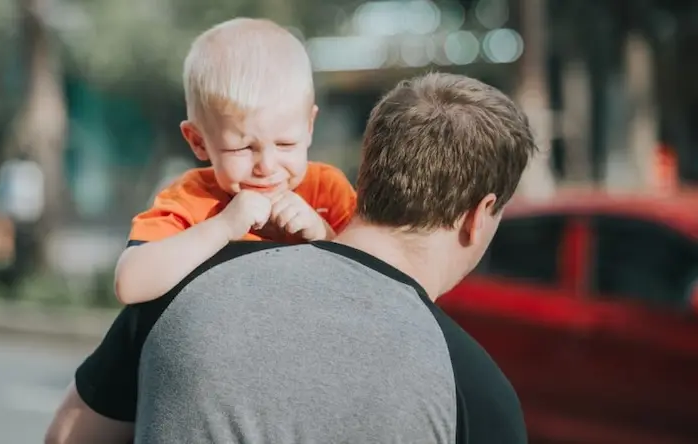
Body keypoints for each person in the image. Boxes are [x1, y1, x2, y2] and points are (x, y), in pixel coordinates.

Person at [45, 71, 537, 444]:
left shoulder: (186, 285)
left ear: (366, 174)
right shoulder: (476, 392)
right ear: (480, 214)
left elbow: (67, 435)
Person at [114, 18, 357, 305]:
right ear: (198, 141)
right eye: (242, 148)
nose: (266, 166)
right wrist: (224, 226)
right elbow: (130, 285)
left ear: (309, 127)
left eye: (285, 144)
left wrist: (322, 234)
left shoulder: (327, 191)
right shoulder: (191, 199)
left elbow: (374, 284)